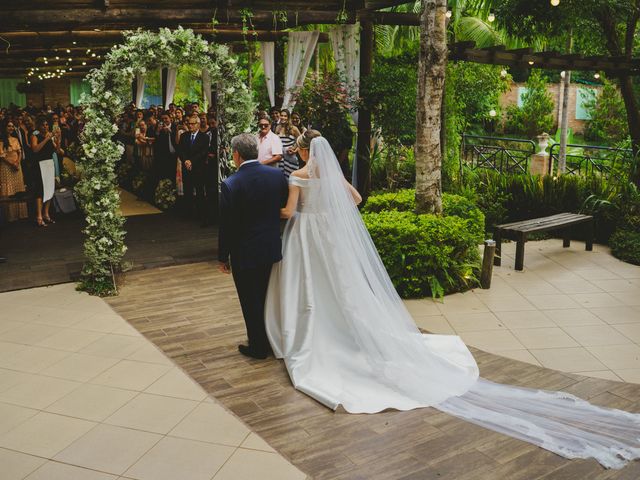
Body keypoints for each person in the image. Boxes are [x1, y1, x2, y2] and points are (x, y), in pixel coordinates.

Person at [264, 131, 640, 469]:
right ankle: (346, 333)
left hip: (305, 237)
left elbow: (287, 211)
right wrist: (331, 214)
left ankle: (311, 334)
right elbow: (358, 199)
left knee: (310, 287)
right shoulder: (332, 177)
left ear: (301, 150)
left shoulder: (297, 177)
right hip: (331, 239)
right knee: (342, 292)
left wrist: (282, 211)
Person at [218, 133, 288, 360]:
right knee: (267, 296)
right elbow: (282, 205)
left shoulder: (230, 184)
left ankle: (258, 346)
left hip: (244, 252)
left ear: (236, 155)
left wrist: (222, 256)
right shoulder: (277, 175)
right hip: (270, 246)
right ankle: (270, 339)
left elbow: (226, 225)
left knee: (250, 300)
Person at [177, 114, 209, 225]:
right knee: (188, 191)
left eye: (192, 123)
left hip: (198, 168)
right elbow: (180, 150)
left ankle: (201, 215)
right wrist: (185, 160)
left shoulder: (204, 137)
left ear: (198, 124)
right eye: (189, 123)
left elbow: (203, 152)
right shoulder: (184, 136)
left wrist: (192, 161)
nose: (190, 125)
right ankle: (188, 213)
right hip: (186, 167)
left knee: (200, 192)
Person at [30, 117, 61, 227]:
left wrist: (58, 139)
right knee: (40, 190)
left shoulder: (50, 137)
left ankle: (46, 214)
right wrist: (46, 139)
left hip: (49, 164)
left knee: (49, 189)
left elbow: (57, 151)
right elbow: (35, 149)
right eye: (43, 125)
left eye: (47, 125)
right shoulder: (35, 136)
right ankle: (39, 216)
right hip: (39, 165)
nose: (45, 127)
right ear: (39, 126)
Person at [0, 121, 28, 221]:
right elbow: (2, 156)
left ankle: (20, 214)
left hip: (17, 166)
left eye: (12, 126)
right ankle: (10, 216)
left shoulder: (15, 139)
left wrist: (17, 162)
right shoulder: (1, 140)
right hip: (6, 167)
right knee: (9, 188)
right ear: (4, 127)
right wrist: (12, 164)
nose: (11, 128)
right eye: (9, 126)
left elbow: (20, 152)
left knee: (18, 188)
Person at [275, 109, 301, 179]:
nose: (283, 117)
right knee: (281, 179)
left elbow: (300, 141)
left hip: (290, 157)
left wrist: (294, 149)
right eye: (282, 115)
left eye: (285, 116)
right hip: (280, 158)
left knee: (292, 178)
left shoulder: (293, 128)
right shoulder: (277, 127)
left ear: (288, 117)